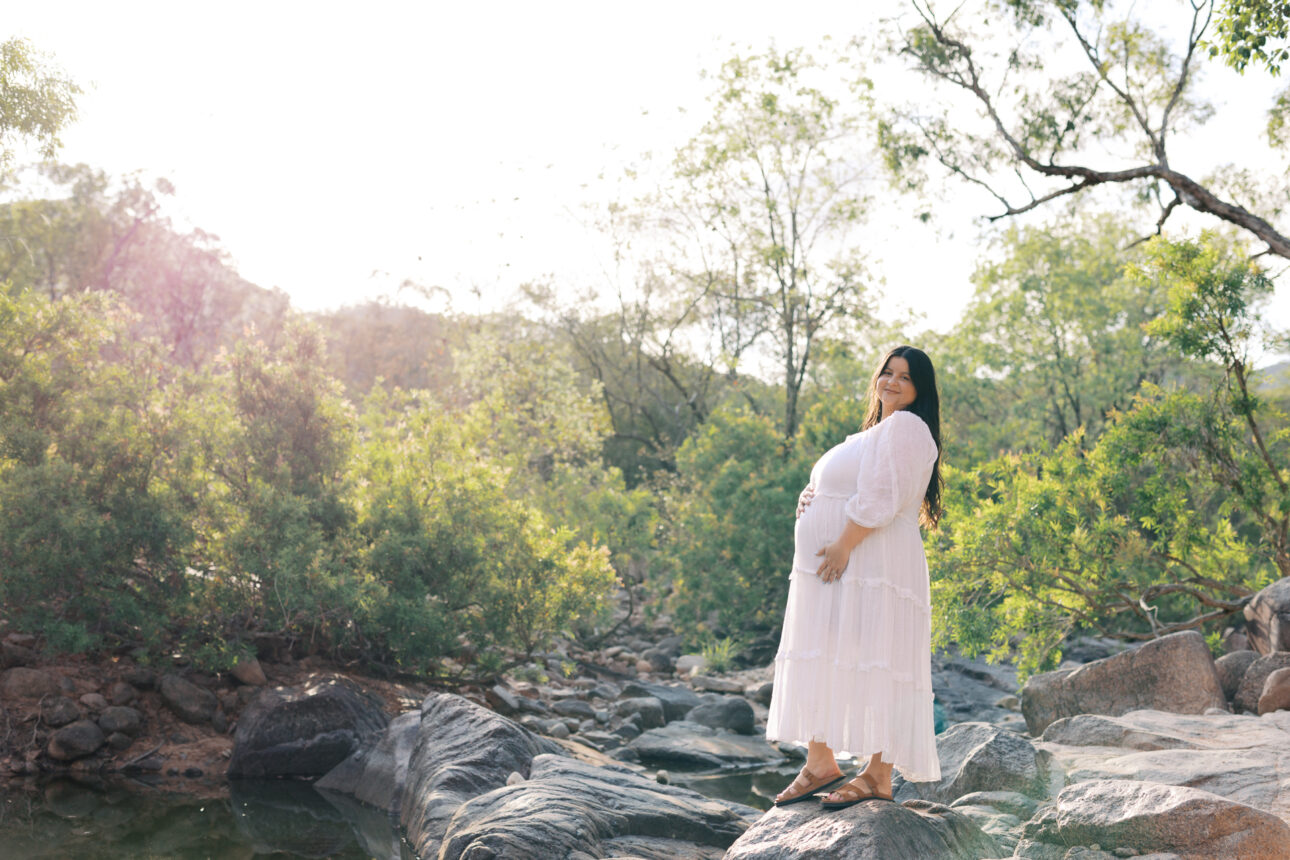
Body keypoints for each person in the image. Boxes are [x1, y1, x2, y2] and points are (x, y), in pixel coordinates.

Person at [765, 345, 944, 809]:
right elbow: (848, 481)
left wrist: (843, 542)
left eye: (905, 377)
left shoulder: (907, 427)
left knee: (879, 657)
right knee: (828, 654)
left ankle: (877, 774)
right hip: (841, 570)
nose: (893, 382)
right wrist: (813, 494)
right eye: (888, 372)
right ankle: (820, 762)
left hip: (871, 562)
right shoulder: (872, 432)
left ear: (919, 389)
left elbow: (881, 496)